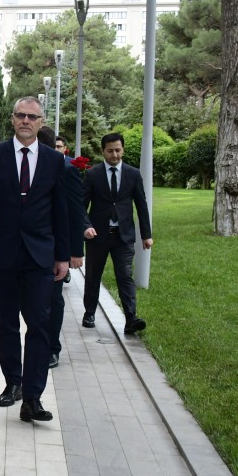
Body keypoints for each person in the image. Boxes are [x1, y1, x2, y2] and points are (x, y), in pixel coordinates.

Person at [0, 97, 70, 424]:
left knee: (39, 322)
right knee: (7, 319)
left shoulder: (54, 160)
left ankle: (34, 396)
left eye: (32, 117)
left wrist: (64, 255)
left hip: (41, 253)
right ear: (12, 120)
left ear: (41, 122)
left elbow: (61, 210)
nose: (26, 121)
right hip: (4, 250)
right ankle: (13, 382)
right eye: (20, 115)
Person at [81, 132, 153, 337]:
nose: (115, 155)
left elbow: (141, 204)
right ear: (103, 151)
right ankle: (89, 313)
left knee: (124, 276)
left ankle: (131, 318)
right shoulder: (93, 174)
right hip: (97, 235)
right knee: (93, 276)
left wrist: (146, 235)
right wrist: (85, 226)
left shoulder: (132, 174)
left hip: (123, 236)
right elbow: (81, 204)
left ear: (123, 150)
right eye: (110, 151)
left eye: (118, 150)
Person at [37, 127, 89, 368]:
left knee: (53, 300)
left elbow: (75, 213)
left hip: (55, 248)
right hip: (29, 246)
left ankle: (51, 348)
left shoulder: (66, 170)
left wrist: (76, 252)